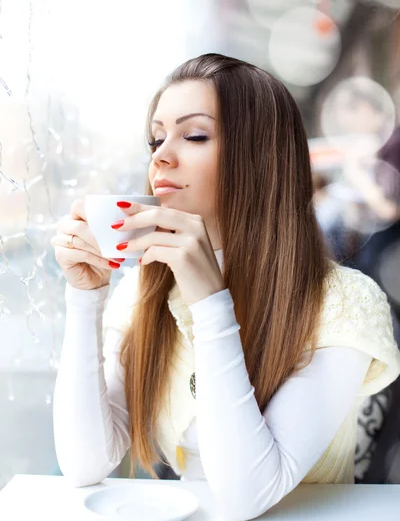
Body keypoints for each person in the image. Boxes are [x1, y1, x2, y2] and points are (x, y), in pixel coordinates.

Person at [51, 54, 400, 521]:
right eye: (156, 138)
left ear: (260, 157)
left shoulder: (341, 303)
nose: (160, 155)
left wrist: (212, 304)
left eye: (194, 135)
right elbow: (83, 464)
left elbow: (246, 497)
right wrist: (84, 297)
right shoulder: (143, 291)